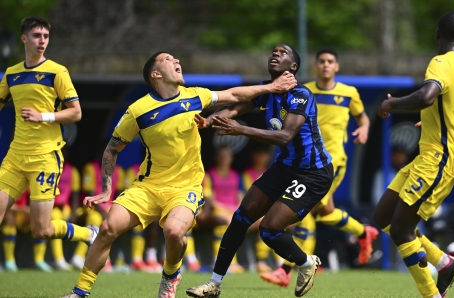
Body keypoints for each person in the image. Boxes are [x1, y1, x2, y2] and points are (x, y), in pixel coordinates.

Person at [61, 51, 296, 298]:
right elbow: (112, 148)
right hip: (147, 187)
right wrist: (107, 190)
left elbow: (234, 95)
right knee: (108, 227)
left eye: (177, 59)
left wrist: (271, 87)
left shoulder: (195, 95)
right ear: (156, 73)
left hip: (185, 188)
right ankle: (79, 292)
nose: (177, 62)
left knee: (174, 232)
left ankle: (170, 275)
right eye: (168, 60)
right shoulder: (138, 110)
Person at [187, 44, 333, 298]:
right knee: (241, 218)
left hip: (313, 173)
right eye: (273, 52)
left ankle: (307, 263)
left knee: (269, 230)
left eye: (283, 52)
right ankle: (214, 284)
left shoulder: (301, 95)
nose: (275, 54)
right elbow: (235, 108)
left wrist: (241, 129)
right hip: (285, 167)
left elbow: (285, 135)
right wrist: (210, 119)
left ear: (293, 67)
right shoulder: (266, 91)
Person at [373, 11, 454, 298]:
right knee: (384, 216)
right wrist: (443, 122)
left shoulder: (440, 62)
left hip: (438, 160)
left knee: (402, 230)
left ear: (437, 35)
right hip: (431, 158)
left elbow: (427, 96)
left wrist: (393, 104)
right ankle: (444, 263)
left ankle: (431, 295)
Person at [261, 48, 378, 287]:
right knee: (326, 211)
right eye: (322, 61)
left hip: (333, 160)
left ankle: (285, 269)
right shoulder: (306, 91)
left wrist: (364, 128)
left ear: (337, 67)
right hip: (308, 160)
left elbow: (362, 117)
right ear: (316, 66)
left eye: (330, 62)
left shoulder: (349, 93)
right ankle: (364, 233)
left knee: (307, 210)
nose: (326, 65)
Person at [0, 17, 98, 262]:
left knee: (41, 229)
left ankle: (88, 233)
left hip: (44, 157)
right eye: (36, 36)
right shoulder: (12, 74)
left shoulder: (57, 71)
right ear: (24, 38)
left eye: (45, 36)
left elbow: (76, 112)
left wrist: (43, 116)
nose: (42, 40)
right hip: (15, 157)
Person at [204, 145, 245, 273]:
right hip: (218, 210)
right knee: (226, 221)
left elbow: (241, 198)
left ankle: (262, 260)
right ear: (216, 158)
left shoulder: (236, 176)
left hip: (233, 210)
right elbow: (211, 201)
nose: (224, 159)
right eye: (221, 156)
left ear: (231, 158)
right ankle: (223, 261)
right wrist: (229, 209)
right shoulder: (210, 174)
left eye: (226, 156)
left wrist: (235, 209)